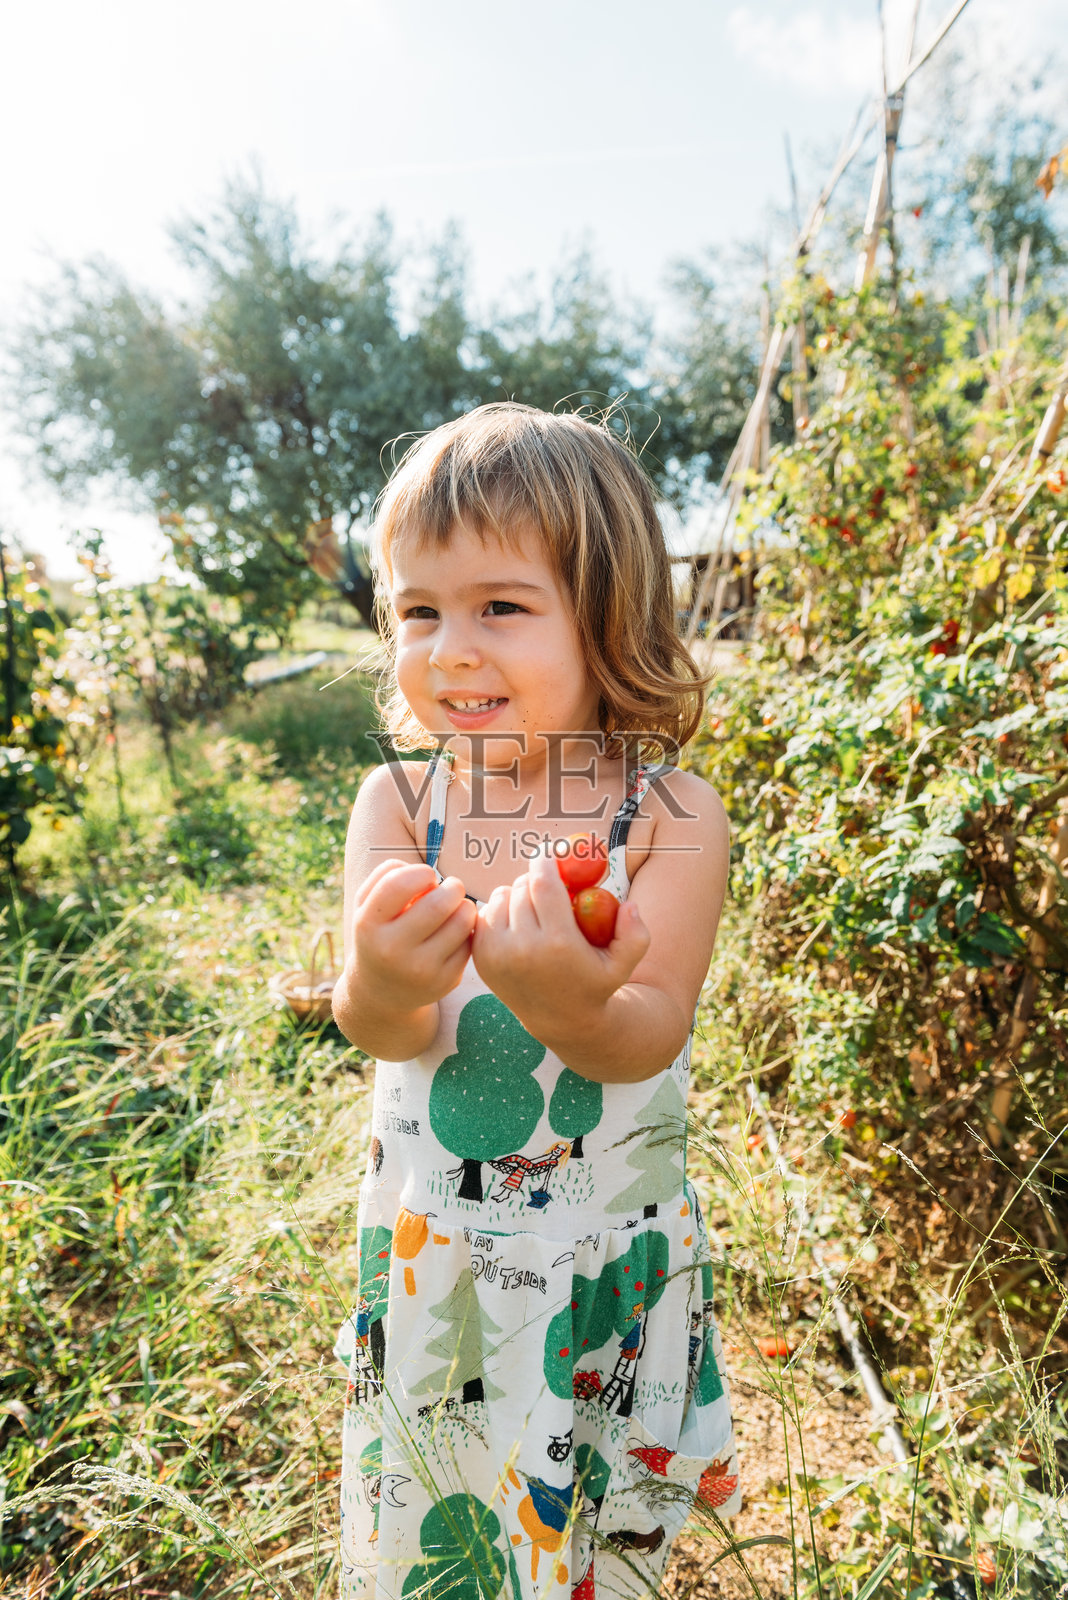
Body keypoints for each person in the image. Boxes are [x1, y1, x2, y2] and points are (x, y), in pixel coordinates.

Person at [332, 403, 740, 1600]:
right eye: (418, 610)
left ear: (604, 614)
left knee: (598, 1554)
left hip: (598, 1270)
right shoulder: (402, 807)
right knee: (445, 1530)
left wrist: (570, 1003)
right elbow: (382, 1026)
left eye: (498, 606)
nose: (449, 648)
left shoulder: (669, 815)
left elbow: (648, 1027)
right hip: (440, 1255)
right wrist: (387, 982)